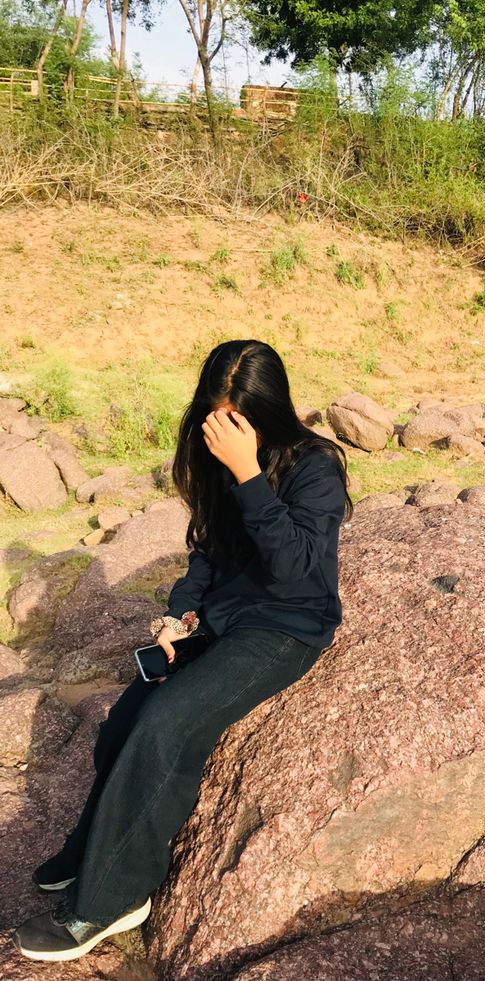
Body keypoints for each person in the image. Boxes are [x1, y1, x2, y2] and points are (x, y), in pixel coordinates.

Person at [12, 339, 353, 962]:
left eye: (235, 419)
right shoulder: (215, 455)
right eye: (213, 416)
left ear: (266, 413)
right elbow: (209, 552)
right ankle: (90, 850)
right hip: (221, 621)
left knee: (167, 728)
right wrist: (178, 614)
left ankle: (112, 900)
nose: (219, 431)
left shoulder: (314, 465)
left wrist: (249, 473)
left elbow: (298, 571)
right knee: (123, 722)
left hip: (286, 627)